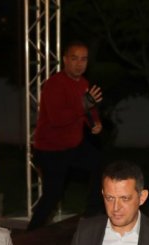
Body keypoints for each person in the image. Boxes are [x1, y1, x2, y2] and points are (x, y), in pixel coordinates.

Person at [28, 41, 104, 230]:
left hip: (73, 146)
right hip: (50, 150)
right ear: (65, 60)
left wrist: (95, 123)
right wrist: (84, 105)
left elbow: (89, 110)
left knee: (99, 164)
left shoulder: (84, 84)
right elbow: (57, 119)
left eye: (83, 59)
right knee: (53, 195)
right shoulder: (54, 84)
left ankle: (92, 215)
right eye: (74, 58)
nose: (79, 64)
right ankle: (30, 234)